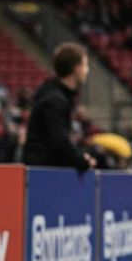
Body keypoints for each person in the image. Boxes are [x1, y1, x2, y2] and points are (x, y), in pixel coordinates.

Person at [22, 42, 96, 172]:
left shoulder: (55, 94)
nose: (87, 70)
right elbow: (60, 141)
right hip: (43, 175)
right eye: (85, 65)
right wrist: (82, 160)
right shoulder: (55, 100)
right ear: (77, 68)